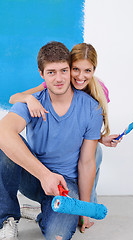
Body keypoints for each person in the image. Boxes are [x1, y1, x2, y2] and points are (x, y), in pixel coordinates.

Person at [0, 41, 104, 240]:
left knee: (58, 235)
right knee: (4, 144)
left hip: (65, 184)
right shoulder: (33, 100)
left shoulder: (91, 108)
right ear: (41, 74)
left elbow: (87, 162)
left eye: (64, 70)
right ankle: (7, 219)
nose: (59, 78)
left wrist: (84, 207)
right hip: (33, 177)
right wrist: (44, 175)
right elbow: (2, 131)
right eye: (51, 72)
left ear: (70, 68)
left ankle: (43, 213)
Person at [9, 43, 121, 204]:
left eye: (87, 70)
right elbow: (14, 98)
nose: (80, 76)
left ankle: (88, 201)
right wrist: (29, 99)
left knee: (93, 154)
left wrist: (100, 138)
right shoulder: (54, 83)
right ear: (69, 67)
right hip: (59, 156)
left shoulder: (99, 92)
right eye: (76, 69)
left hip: (88, 147)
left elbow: (88, 127)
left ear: (94, 71)